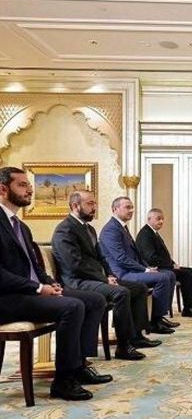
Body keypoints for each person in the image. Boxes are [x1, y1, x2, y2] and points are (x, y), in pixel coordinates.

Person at [0, 167, 111, 401]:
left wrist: (50, 282)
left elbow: (34, 267)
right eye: (22, 185)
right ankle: (63, 381)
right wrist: (39, 288)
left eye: (29, 185)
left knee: (94, 300)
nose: (30, 189)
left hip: (28, 293)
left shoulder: (21, 226)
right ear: (3, 189)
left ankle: (79, 364)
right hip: (7, 298)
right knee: (72, 306)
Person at [52, 190, 159, 361]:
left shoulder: (89, 229)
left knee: (139, 288)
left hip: (95, 278)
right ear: (75, 206)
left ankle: (136, 336)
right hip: (77, 282)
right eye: (90, 204)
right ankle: (123, 346)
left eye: (94, 203)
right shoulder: (65, 230)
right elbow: (74, 265)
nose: (94, 207)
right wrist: (104, 279)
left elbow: (102, 257)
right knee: (121, 292)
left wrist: (110, 274)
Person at [99, 197, 177, 335]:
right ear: (115, 209)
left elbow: (136, 255)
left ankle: (159, 317)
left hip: (131, 270)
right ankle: (155, 321)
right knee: (163, 278)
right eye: (127, 207)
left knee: (169, 274)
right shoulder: (111, 229)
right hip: (122, 274)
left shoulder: (122, 227)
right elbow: (121, 258)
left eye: (132, 207)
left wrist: (148, 268)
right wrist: (145, 270)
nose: (131, 210)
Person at [135, 208, 192, 318]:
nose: (161, 221)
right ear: (149, 219)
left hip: (164, 265)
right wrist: (170, 265)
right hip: (156, 268)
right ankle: (187, 309)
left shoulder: (153, 232)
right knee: (186, 274)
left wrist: (173, 263)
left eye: (162, 219)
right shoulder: (145, 234)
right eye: (158, 219)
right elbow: (151, 258)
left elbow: (163, 254)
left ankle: (191, 303)